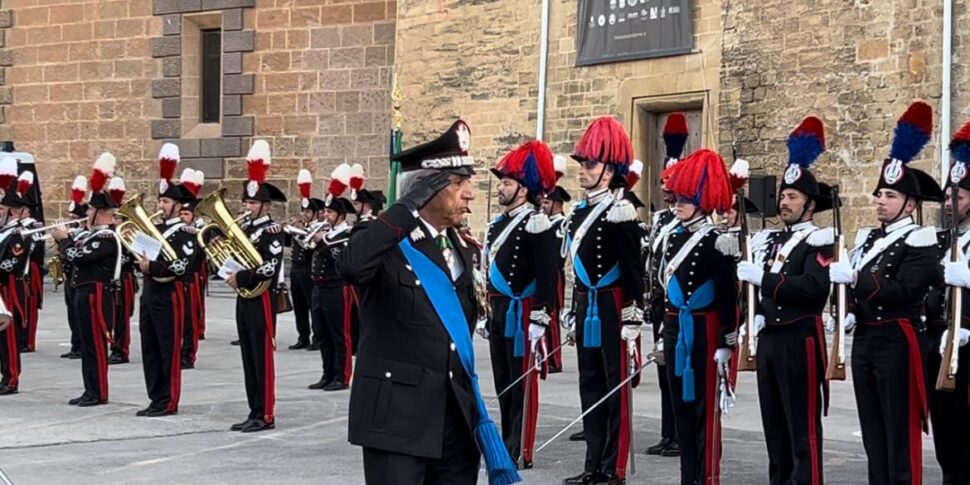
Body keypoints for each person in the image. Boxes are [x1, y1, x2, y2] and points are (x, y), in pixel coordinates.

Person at [339, 119, 519, 485]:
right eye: (458, 184)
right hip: (397, 419)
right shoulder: (386, 242)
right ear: (426, 190)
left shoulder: (462, 249)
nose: (469, 194)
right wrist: (406, 208)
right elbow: (353, 265)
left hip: (454, 416)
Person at [828, 101, 940, 484]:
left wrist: (856, 281)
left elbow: (904, 289)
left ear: (910, 203)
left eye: (890, 196)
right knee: (874, 436)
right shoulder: (867, 239)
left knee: (900, 434)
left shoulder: (921, 239)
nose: (880, 201)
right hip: (866, 339)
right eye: (879, 195)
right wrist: (846, 308)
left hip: (898, 338)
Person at [735, 116, 834, 485]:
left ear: (810, 204)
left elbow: (812, 287)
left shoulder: (820, 240)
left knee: (801, 426)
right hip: (771, 340)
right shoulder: (772, 241)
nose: (784, 202)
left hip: (800, 338)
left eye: (792, 197)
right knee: (773, 423)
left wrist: (765, 280)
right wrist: (755, 312)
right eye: (783, 195)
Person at [561, 116, 645, 485]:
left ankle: (614, 467)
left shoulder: (620, 212)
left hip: (612, 306)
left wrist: (631, 315)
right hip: (587, 304)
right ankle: (593, 462)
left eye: (590, 164)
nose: (583, 170)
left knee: (614, 388)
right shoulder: (580, 212)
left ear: (609, 171)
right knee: (590, 383)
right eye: (582, 163)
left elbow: (633, 269)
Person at [656, 149, 739, 485]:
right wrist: (665, 331)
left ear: (703, 200)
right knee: (682, 412)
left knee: (704, 412)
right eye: (676, 197)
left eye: (686, 199)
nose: (678, 204)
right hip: (678, 330)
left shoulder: (717, 241)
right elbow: (666, 290)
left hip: (705, 332)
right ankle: (687, 476)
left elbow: (728, 298)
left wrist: (726, 340)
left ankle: (706, 477)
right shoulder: (673, 237)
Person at [481, 140, 557, 469]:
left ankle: (520, 446)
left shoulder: (536, 223)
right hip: (499, 310)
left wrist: (541, 314)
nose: (501, 188)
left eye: (508, 183)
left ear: (523, 190)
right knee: (502, 380)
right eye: (502, 182)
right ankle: (506, 438)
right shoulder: (497, 224)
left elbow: (547, 274)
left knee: (520, 382)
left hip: (522, 311)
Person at [224, 140, 285, 433]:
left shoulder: (271, 232)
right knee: (248, 356)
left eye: (252, 203)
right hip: (244, 297)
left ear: (265, 205)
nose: (246, 207)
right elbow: (236, 259)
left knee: (261, 356)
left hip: (261, 297)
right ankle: (253, 409)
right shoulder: (245, 229)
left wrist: (242, 277)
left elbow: (269, 268)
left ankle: (266, 414)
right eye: (246, 202)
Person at [922, 121, 970, 484]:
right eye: (948, 197)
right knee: (946, 439)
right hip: (939, 346)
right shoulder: (939, 241)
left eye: (959, 197)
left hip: (968, 347)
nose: (950, 204)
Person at [131, 145, 195, 417]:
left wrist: (152, 265)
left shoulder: (185, 233)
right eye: (159, 201)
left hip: (169, 293)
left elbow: (183, 265)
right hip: (150, 292)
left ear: (178, 205)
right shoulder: (155, 229)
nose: (160, 206)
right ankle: (155, 397)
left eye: (166, 202)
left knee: (168, 347)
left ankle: (169, 401)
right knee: (150, 347)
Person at [53, 160, 122, 407]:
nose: (86, 215)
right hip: (84, 293)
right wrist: (68, 238)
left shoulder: (105, 237)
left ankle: (98, 392)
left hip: (96, 294)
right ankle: (89, 389)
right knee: (86, 343)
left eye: (90, 210)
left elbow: (78, 257)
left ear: (100, 213)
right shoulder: (90, 235)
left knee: (95, 345)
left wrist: (63, 241)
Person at [644, 112, 688, 457]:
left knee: (677, 369)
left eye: (671, 186)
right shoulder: (659, 219)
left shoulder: (687, 221)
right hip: (659, 301)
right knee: (662, 369)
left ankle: (679, 433)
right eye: (664, 186)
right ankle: (666, 432)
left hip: (680, 302)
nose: (666, 192)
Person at [308, 166, 356, 391]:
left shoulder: (346, 234)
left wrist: (322, 242)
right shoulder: (326, 233)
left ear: (341, 215)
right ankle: (327, 373)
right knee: (321, 332)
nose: (325, 216)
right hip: (318, 287)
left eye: (329, 213)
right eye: (325, 212)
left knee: (339, 333)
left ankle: (342, 375)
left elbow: (339, 258)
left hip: (337, 288)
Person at [0, 157, 29, 396]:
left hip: (6, 289)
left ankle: (11, 379)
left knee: (7, 336)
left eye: (1, 208)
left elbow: (12, 262)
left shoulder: (16, 235)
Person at [288, 169, 321, 350]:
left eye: (308, 211)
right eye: (303, 210)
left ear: (316, 213)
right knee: (299, 305)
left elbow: (310, 248)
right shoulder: (301, 226)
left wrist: (302, 231)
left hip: (308, 269)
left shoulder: (316, 229)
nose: (305, 214)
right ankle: (303, 336)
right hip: (296, 269)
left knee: (312, 305)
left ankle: (317, 337)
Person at [177, 168, 206, 369]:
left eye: (186, 214)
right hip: (176, 277)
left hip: (193, 276)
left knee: (190, 317)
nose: (182, 217)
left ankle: (189, 354)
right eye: (181, 213)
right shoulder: (176, 229)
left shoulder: (198, 231)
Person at [541, 182, 569, 374]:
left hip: (554, 273)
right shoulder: (544, 222)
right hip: (542, 273)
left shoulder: (563, 224)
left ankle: (554, 359)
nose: (542, 206)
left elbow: (560, 253)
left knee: (551, 316)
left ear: (556, 204)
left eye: (546, 202)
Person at [107, 176, 136, 365]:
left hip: (124, 278)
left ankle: (122, 349)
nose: (114, 220)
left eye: (117, 217)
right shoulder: (109, 235)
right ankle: (114, 346)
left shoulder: (129, 234)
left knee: (122, 317)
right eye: (113, 216)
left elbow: (130, 257)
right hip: (110, 280)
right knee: (112, 316)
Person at [60, 175, 89, 360]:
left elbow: (76, 256)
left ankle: (81, 346)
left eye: (74, 218)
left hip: (80, 279)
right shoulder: (74, 234)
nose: (71, 221)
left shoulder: (85, 235)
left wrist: (64, 240)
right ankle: (75, 344)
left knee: (80, 315)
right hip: (69, 278)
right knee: (72, 314)